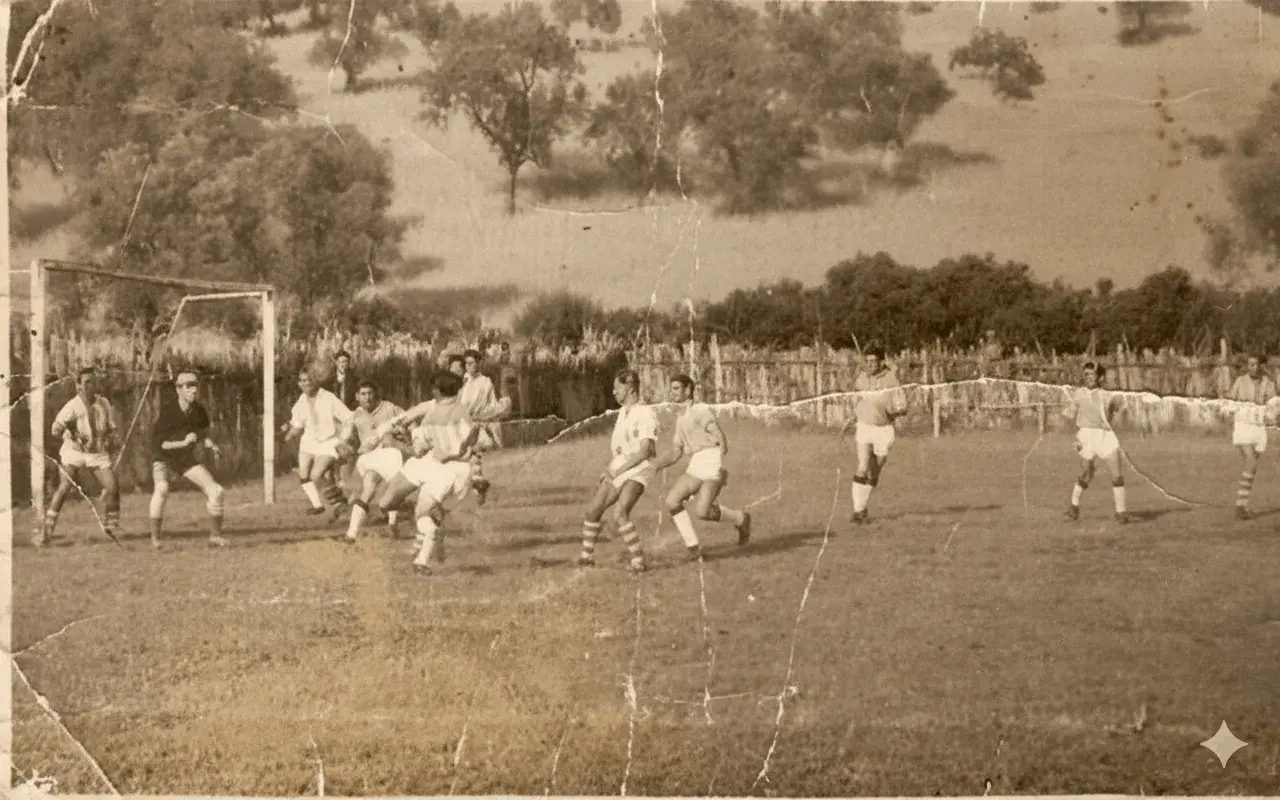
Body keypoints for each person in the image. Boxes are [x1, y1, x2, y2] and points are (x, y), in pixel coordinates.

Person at [372, 372, 481, 575]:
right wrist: (388, 432)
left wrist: (401, 440)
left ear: (437, 390)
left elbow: (462, 446)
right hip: (429, 461)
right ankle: (429, 528)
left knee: (423, 513)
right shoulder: (434, 408)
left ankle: (422, 558)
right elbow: (408, 424)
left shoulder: (459, 413)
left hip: (450, 469)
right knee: (386, 503)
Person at [653, 374, 751, 562]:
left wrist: (720, 463)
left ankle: (740, 518)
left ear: (688, 390)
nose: (672, 392)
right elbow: (676, 452)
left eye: (676, 388)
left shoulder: (700, 410)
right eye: (671, 388)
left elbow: (720, 436)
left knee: (702, 512)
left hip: (711, 458)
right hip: (696, 463)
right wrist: (655, 466)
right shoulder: (680, 418)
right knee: (672, 501)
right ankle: (694, 548)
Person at [576, 369, 656, 574]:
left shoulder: (645, 413)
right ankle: (586, 558)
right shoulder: (623, 412)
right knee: (593, 510)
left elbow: (646, 451)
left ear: (630, 388)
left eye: (617, 387)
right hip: (620, 467)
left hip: (639, 469)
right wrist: (609, 469)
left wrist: (618, 470)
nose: (613, 392)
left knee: (620, 512)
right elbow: (620, 449)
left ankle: (638, 560)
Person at [36, 367, 122, 547]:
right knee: (65, 486)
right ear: (79, 386)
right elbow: (55, 429)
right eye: (87, 382)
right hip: (73, 452)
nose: (91, 385)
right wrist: (73, 434)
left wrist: (113, 438)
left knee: (113, 486)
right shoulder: (72, 406)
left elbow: (112, 428)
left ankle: (111, 529)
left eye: (93, 381)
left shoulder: (104, 403)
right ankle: (47, 530)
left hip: (96, 454)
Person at [147, 371, 228, 548]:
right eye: (188, 386)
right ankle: (155, 540)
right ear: (178, 390)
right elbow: (160, 445)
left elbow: (201, 435)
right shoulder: (169, 411)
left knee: (216, 491)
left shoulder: (198, 410)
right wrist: (183, 442)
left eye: (195, 386)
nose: (193, 390)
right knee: (161, 488)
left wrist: (211, 445)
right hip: (164, 459)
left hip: (185, 460)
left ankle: (215, 537)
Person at [338, 381, 410, 542]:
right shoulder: (355, 416)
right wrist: (345, 447)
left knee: (392, 492)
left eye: (370, 393)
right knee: (368, 487)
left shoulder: (389, 408)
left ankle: (392, 525)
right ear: (357, 397)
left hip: (393, 453)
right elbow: (344, 439)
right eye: (363, 394)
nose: (367, 397)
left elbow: (409, 419)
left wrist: (404, 432)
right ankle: (351, 534)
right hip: (372, 458)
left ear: (375, 394)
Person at [281, 369, 353, 521]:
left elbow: (348, 418)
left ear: (316, 381)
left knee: (316, 475)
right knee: (304, 475)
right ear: (299, 384)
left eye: (309, 379)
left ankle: (339, 501)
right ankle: (319, 505)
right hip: (309, 442)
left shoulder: (328, 397)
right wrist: (286, 436)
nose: (306, 383)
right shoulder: (301, 401)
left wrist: (344, 439)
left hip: (328, 442)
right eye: (302, 380)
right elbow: (297, 424)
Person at [1062, 361, 1128, 524]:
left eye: (1092, 374)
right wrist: (1076, 437)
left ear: (1100, 377)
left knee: (1117, 475)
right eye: (1086, 374)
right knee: (1087, 473)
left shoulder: (1107, 395)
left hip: (1105, 436)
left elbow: (1117, 412)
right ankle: (1074, 507)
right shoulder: (1079, 394)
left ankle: (1121, 513)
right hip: (1085, 436)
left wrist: (1116, 410)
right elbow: (1069, 416)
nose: (1088, 377)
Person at [848, 348, 908, 524]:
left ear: (881, 362)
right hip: (864, 426)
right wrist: (853, 416)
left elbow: (902, 406)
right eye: (867, 361)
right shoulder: (861, 378)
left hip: (884, 430)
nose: (870, 365)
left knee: (873, 474)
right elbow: (856, 399)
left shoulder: (891, 379)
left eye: (874, 361)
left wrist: (895, 410)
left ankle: (862, 509)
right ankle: (858, 511)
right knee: (862, 466)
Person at [1228, 354, 1278, 519]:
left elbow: (1273, 407)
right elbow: (1230, 401)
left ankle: (1241, 504)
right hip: (1243, 425)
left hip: (1258, 428)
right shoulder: (1240, 381)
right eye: (1250, 364)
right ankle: (1240, 506)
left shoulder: (1269, 384)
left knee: (1251, 466)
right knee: (1251, 462)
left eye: (1256, 364)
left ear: (1261, 366)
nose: (1252, 368)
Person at [459, 348, 512, 506]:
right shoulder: (464, 382)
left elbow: (492, 405)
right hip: (464, 423)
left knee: (474, 452)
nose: (469, 367)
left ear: (478, 363)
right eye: (467, 364)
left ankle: (477, 484)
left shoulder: (486, 382)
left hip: (479, 424)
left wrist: (485, 418)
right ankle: (477, 483)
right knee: (467, 456)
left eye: (472, 363)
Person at [329, 350, 359, 501]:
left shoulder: (353, 380)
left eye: (346, 362)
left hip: (347, 418)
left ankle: (345, 481)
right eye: (341, 362)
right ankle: (334, 481)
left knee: (347, 449)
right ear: (336, 362)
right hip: (334, 419)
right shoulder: (329, 380)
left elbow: (356, 399)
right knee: (333, 448)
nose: (343, 365)